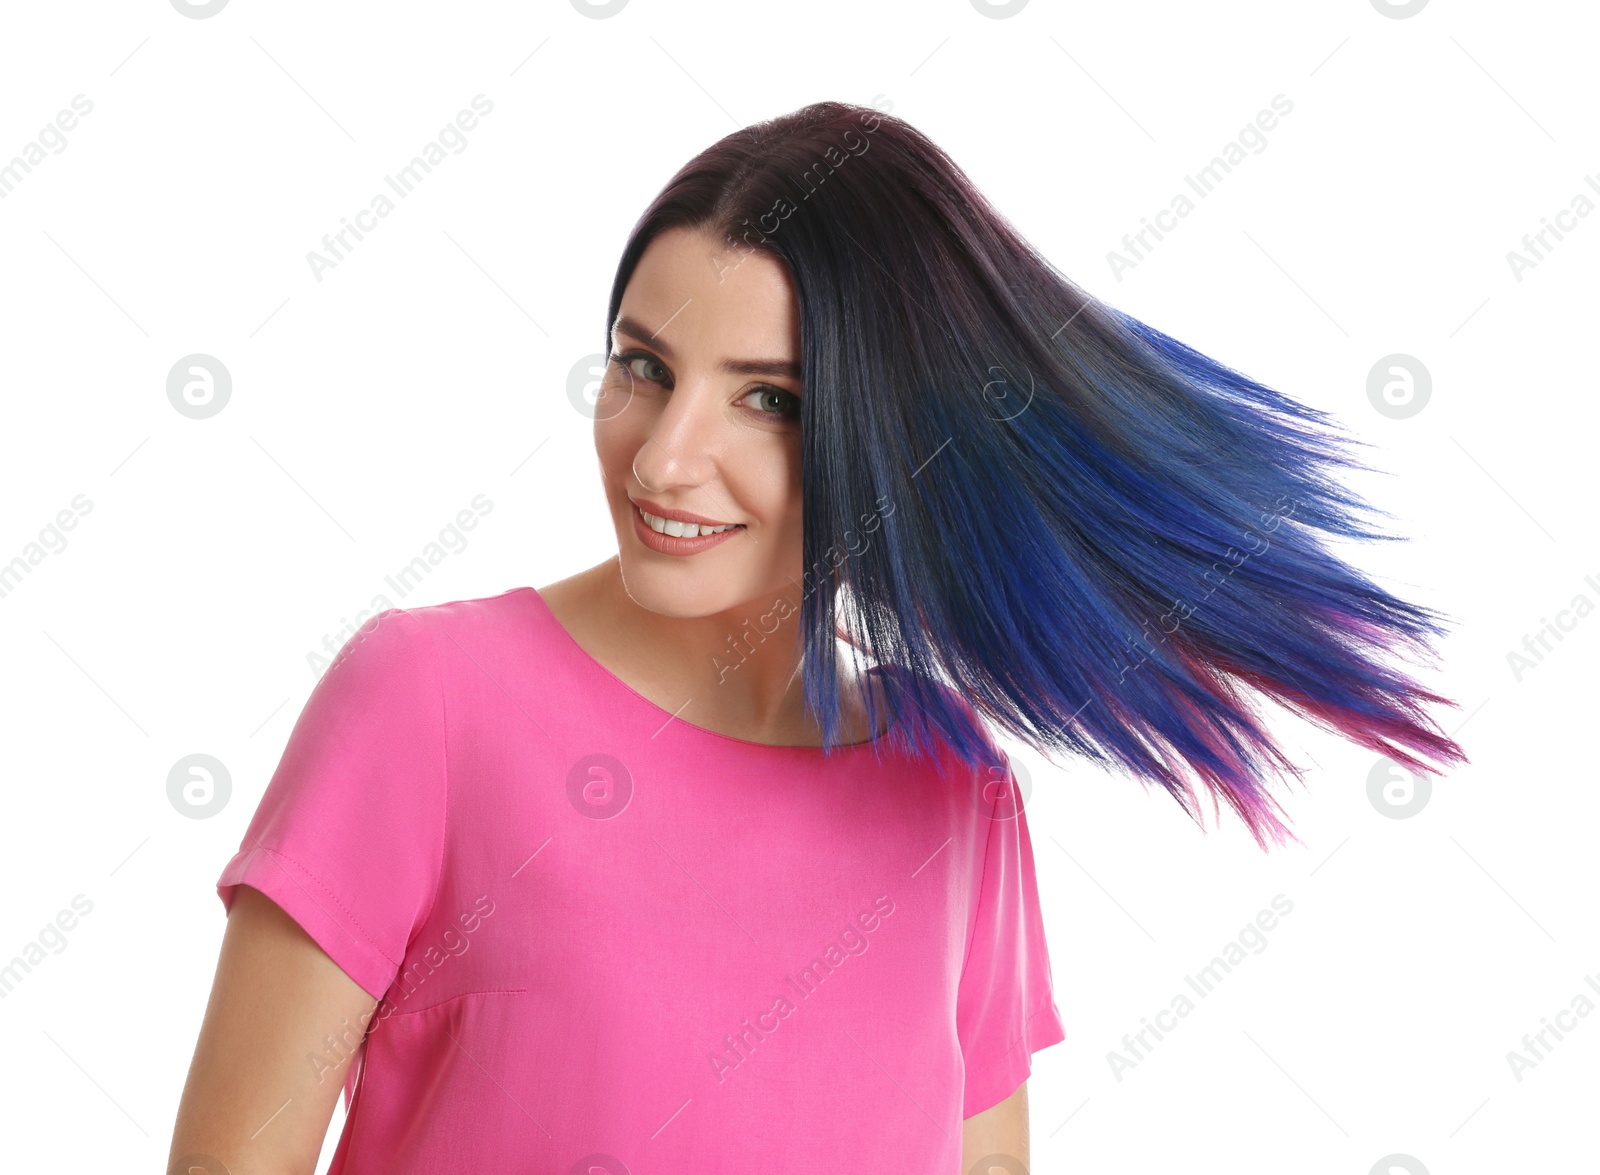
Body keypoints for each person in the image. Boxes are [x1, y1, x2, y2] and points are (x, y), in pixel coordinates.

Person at [168, 99, 1467, 1174]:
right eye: (643, 367)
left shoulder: (950, 777)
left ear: (895, 432)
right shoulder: (431, 701)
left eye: (771, 402)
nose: (667, 458)